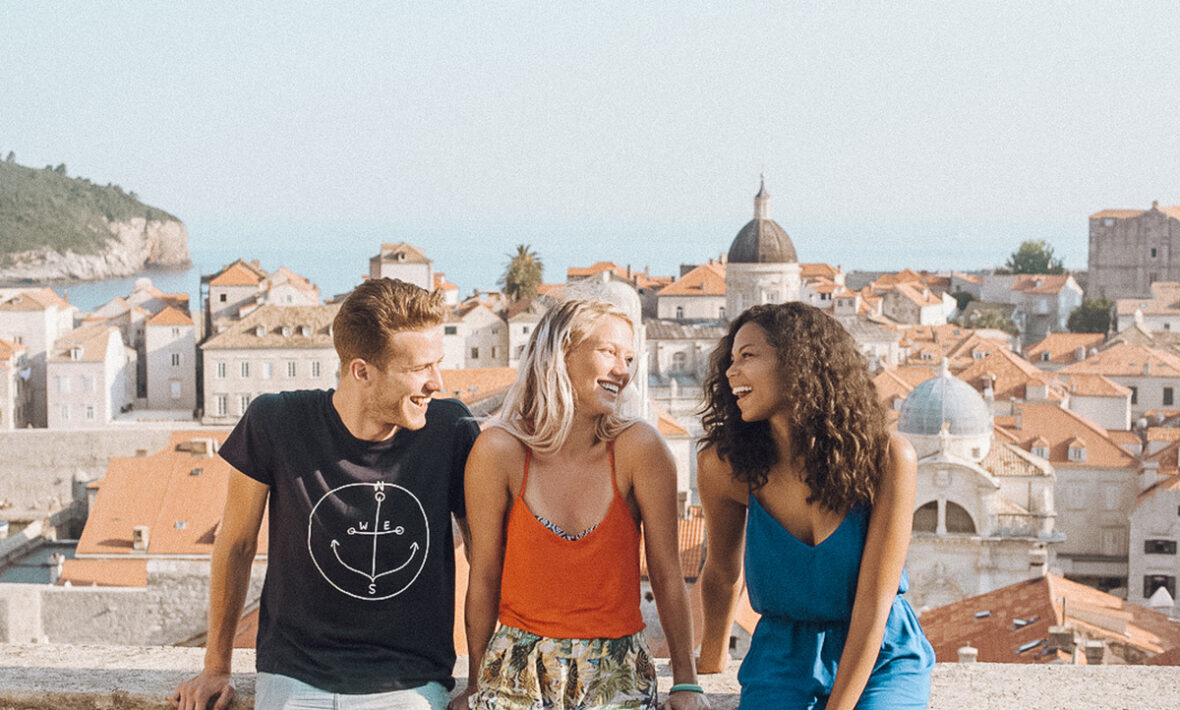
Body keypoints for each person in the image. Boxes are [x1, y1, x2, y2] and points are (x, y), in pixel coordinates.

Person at [171, 278, 480, 710]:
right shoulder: (275, 422)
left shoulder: (451, 431)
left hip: (408, 682)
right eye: (419, 368)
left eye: (437, 364)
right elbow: (236, 543)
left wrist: (480, 681)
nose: (437, 382)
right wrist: (215, 667)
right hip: (294, 676)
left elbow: (485, 557)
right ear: (361, 371)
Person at [455, 299, 709, 710]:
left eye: (628, 358)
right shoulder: (498, 450)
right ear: (560, 352)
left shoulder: (639, 449)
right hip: (515, 670)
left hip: (617, 672)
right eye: (608, 352)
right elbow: (483, 576)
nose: (623, 371)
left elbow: (666, 574)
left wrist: (687, 683)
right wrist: (474, 686)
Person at [696, 302, 934, 710]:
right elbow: (720, 570)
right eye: (731, 360)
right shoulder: (724, 466)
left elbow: (874, 604)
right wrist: (708, 663)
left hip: (881, 653)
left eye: (747, 356)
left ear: (798, 363)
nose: (731, 372)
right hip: (781, 658)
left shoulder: (889, 459)